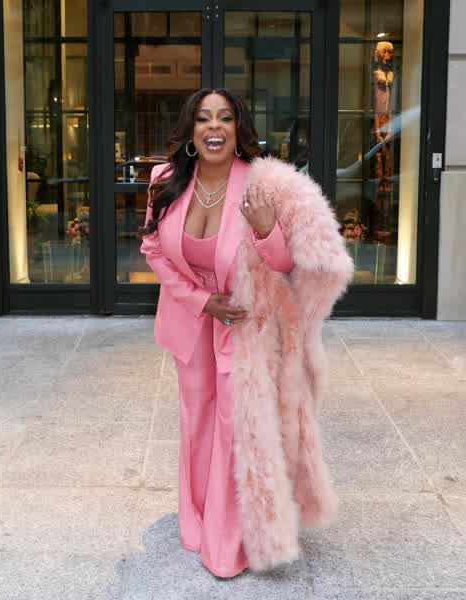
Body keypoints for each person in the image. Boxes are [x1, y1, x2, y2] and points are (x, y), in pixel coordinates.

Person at [140, 88, 354, 578]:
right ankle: (196, 520)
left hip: (246, 324)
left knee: (234, 427)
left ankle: (228, 540)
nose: (214, 127)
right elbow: (152, 248)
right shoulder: (165, 181)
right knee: (197, 422)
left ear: (238, 129)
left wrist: (265, 230)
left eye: (225, 118)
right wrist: (201, 301)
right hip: (192, 320)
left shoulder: (264, 186)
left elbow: (288, 265)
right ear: (191, 130)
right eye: (203, 118)